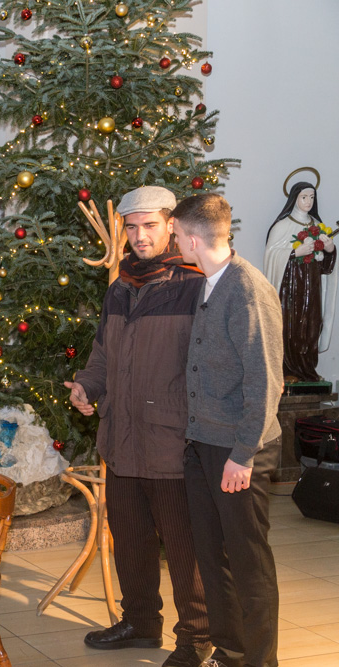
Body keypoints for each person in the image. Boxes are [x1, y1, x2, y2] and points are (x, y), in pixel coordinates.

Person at [65, 186, 211, 667]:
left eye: (150, 225)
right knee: (128, 536)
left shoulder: (195, 283)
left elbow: (209, 364)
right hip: (121, 438)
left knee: (184, 545)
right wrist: (87, 386)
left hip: (172, 441)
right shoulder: (119, 286)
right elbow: (103, 354)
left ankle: (195, 640)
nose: (139, 236)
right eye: (131, 227)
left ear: (172, 225)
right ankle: (141, 622)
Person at [173, 194, 284, 667]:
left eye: (176, 235)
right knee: (213, 558)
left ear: (193, 239)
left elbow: (265, 379)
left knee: (248, 563)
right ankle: (232, 653)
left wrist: (242, 454)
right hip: (203, 444)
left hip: (238, 450)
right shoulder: (209, 282)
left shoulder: (246, 289)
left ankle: (261, 661)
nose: (174, 242)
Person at [263, 181, 336, 382]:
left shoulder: (317, 226)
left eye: (312, 197)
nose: (308, 201)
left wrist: (329, 250)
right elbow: (270, 255)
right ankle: (288, 370)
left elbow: (326, 266)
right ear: (295, 198)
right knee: (291, 327)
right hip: (290, 289)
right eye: (304, 197)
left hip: (312, 286)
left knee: (312, 326)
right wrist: (295, 252)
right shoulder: (283, 225)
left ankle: (307, 370)